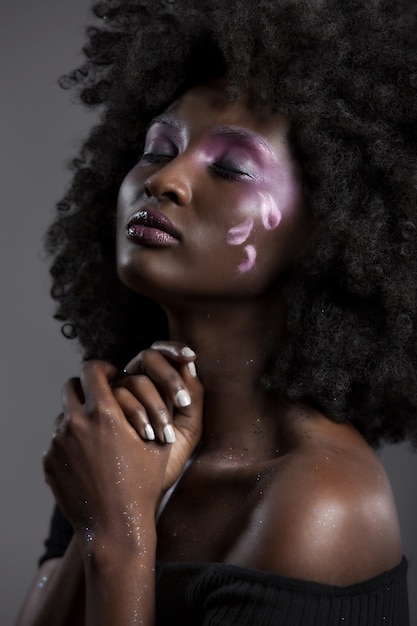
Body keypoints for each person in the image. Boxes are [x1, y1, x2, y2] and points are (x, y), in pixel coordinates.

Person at [16, 0, 417, 624]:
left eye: (232, 168)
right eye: (155, 148)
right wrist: (105, 514)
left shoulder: (323, 505)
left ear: (334, 229)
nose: (166, 179)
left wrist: (119, 536)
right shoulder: (118, 442)